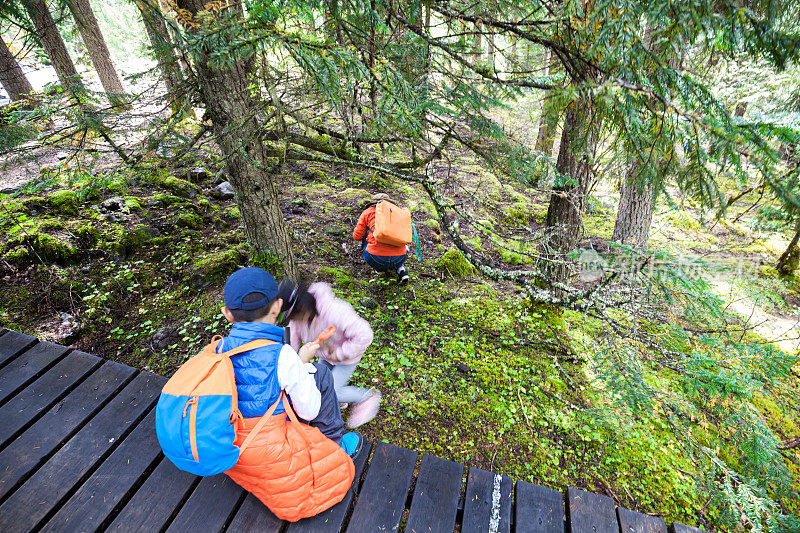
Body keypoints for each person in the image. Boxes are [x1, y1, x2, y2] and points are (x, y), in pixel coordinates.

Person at [218, 267, 360, 521]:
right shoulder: (282, 356)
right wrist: (302, 365)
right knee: (321, 375)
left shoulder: (218, 348)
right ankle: (335, 447)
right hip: (275, 452)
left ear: (227, 313)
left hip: (235, 451)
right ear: (277, 308)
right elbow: (310, 409)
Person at [277, 279, 381, 428]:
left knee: (331, 391)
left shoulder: (334, 311)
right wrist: (290, 364)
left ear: (301, 308)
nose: (292, 321)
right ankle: (339, 400)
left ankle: (366, 397)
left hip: (347, 358)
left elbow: (365, 335)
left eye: (292, 317)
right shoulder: (297, 320)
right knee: (321, 383)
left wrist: (340, 353)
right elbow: (293, 339)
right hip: (325, 356)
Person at [353, 193, 410, 284]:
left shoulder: (368, 212)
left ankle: (379, 269)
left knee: (365, 233)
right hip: (399, 257)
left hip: (375, 258)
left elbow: (356, 236)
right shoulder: (397, 212)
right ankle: (401, 269)